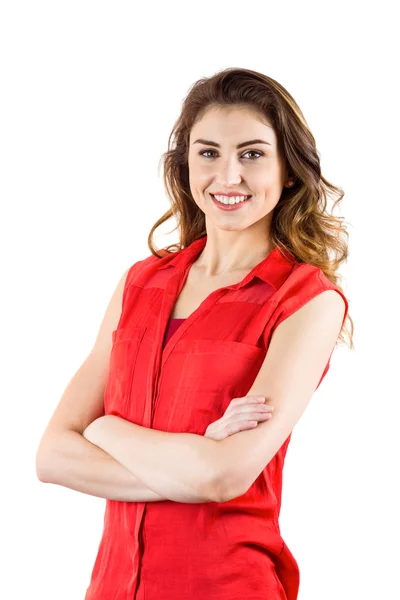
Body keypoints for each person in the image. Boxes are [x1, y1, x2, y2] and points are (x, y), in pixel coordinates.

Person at [36, 67, 354, 600]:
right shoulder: (139, 284)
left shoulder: (307, 302)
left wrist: (104, 431)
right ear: (185, 166)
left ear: (290, 171)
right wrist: (192, 465)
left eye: (252, 154)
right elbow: (51, 457)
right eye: (208, 153)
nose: (227, 176)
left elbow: (225, 477)